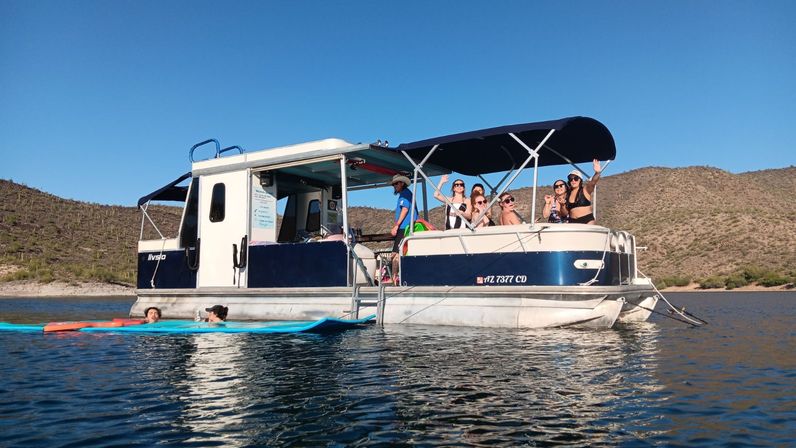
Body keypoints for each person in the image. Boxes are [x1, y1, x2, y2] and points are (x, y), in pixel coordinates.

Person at [390, 173, 418, 286]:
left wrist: (396, 225)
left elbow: (405, 209)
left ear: (402, 183)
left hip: (404, 227)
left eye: (396, 183)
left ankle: (394, 279)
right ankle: (397, 277)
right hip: (407, 227)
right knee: (401, 253)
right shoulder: (406, 194)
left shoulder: (405, 194)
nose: (395, 186)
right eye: (394, 184)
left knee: (395, 254)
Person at [566, 159, 602, 224]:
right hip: (572, 222)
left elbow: (593, 182)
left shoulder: (585, 190)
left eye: (576, 178)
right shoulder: (567, 194)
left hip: (587, 220)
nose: (573, 180)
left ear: (580, 180)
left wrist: (597, 173)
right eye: (571, 179)